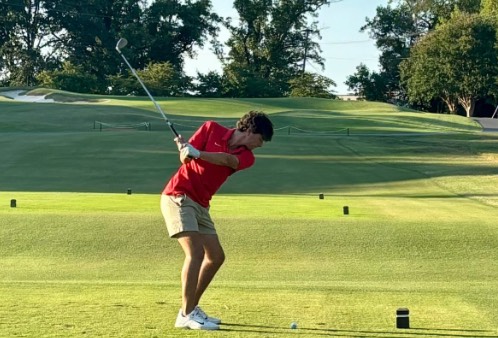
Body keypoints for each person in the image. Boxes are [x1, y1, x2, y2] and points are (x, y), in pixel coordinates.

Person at [160, 111, 274, 330]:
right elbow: (185, 159)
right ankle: (186, 314)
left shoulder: (247, 156)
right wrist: (185, 150)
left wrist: (198, 152)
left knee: (216, 257)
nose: (260, 145)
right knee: (195, 253)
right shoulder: (210, 128)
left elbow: (228, 159)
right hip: (179, 196)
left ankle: (191, 307)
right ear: (250, 130)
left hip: (202, 204)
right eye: (260, 139)